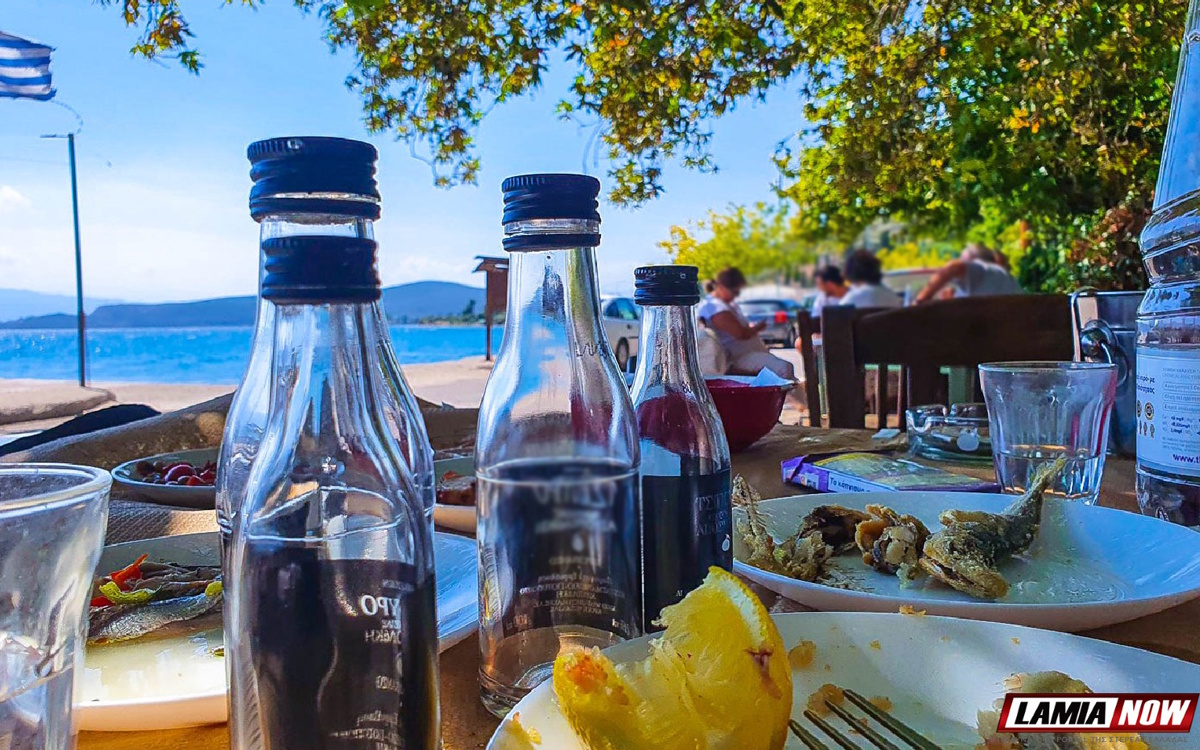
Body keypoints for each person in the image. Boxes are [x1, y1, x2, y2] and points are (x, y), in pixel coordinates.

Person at [696, 267, 796, 380]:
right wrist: (757, 328)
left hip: (746, 354)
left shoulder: (723, 304)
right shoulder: (714, 307)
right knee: (784, 368)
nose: (736, 295)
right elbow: (740, 334)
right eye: (735, 292)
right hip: (735, 358)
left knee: (784, 369)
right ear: (721, 287)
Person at [913, 242, 1021, 303]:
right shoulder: (1003, 276)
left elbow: (953, 268)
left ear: (973, 260)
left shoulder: (982, 269)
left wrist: (920, 301)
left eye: (962, 259)